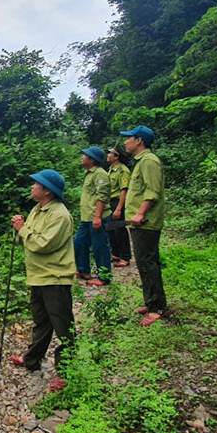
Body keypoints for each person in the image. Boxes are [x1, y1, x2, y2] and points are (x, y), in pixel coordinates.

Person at [9, 169, 75, 392]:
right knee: (41, 322)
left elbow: (42, 244)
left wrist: (22, 229)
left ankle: (67, 372)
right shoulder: (38, 210)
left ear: (47, 190)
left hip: (54, 277)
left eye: (36, 184)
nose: (32, 186)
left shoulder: (60, 215)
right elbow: (27, 240)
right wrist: (19, 229)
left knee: (63, 325)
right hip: (38, 276)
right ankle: (32, 360)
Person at [120, 126, 168, 327]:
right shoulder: (141, 162)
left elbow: (152, 191)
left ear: (138, 140)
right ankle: (151, 302)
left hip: (146, 222)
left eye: (128, 138)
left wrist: (140, 213)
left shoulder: (149, 161)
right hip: (140, 222)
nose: (125, 142)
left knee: (147, 263)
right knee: (145, 263)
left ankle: (156, 308)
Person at [74, 146, 112, 286]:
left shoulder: (100, 174)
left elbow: (102, 197)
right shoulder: (89, 173)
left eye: (85, 156)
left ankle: (104, 276)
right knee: (79, 243)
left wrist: (97, 217)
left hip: (97, 217)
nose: (82, 157)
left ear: (92, 160)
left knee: (100, 246)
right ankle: (83, 270)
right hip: (87, 217)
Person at [107, 144, 132, 267]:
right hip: (109, 202)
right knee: (110, 229)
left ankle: (125, 256)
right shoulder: (111, 169)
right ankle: (116, 253)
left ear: (116, 157)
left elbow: (124, 191)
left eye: (110, 153)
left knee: (119, 229)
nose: (108, 155)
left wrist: (119, 208)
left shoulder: (123, 171)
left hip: (117, 202)